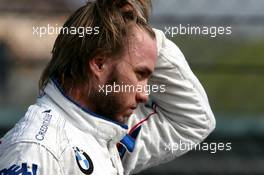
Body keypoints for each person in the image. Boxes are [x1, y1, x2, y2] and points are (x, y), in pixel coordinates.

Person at [0, 0, 215, 174]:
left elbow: (195, 120)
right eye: (139, 74)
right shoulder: (36, 150)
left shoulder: (104, 133)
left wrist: (139, 32)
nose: (144, 94)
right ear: (99, 64)